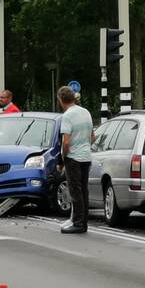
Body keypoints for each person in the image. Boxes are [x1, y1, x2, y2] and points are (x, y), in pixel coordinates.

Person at [57, 85, 94, 234]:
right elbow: (93, 137)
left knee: (75, 191)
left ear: (61, 100)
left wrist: (63, 159)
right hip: (86, 156)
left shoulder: (67, 116)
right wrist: (85, 146)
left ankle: (77, 223)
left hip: (73, 157)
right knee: (84, 190)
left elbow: (66, 142)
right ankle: (83, 222)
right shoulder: (86, 112)